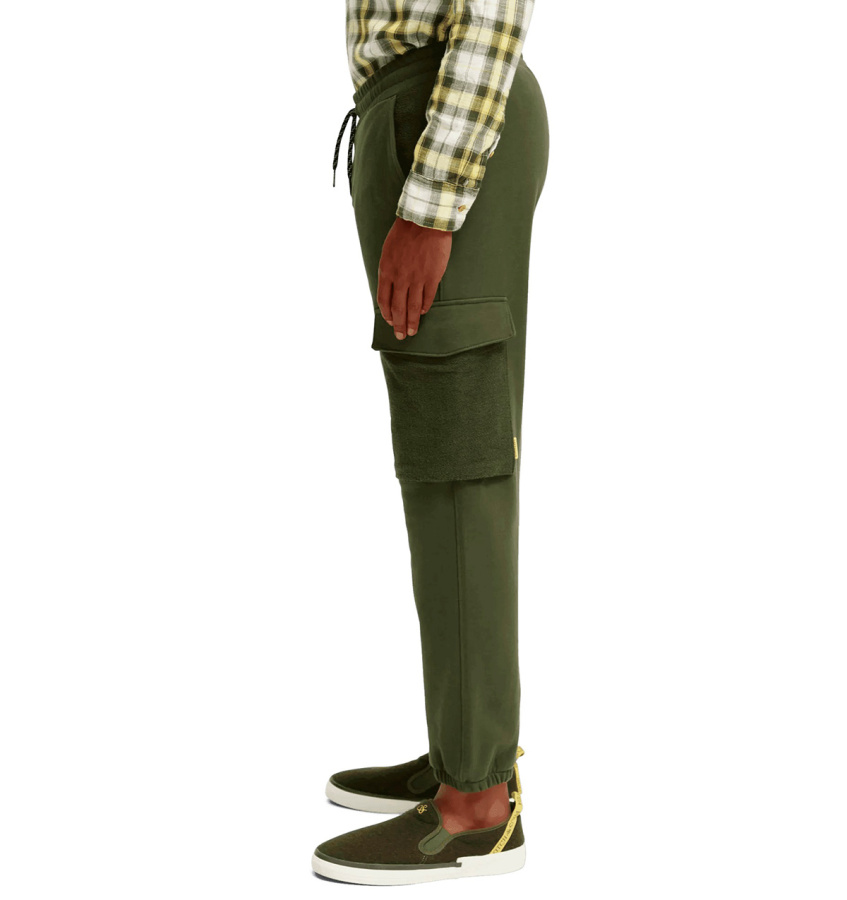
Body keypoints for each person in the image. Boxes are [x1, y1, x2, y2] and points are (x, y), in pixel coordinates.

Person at [313, 1, 548, 884]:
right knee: (444, 447)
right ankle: (462, 749)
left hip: (441, 119)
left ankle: (475, 804)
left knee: (459, 453)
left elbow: (490, 13)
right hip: (418, 112)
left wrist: (432, 201)